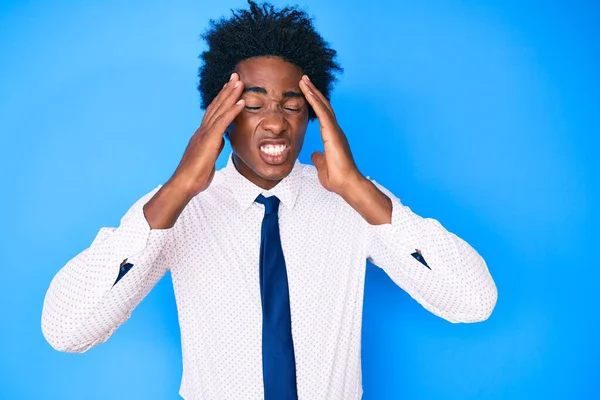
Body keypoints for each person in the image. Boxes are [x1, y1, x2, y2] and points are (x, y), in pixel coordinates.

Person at [41, 1, 497, 399]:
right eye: (254, 105)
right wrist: (179, 188)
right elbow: (66, 329)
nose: (275, 123)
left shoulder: (353, 199)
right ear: (220, 115)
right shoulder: (175, 208)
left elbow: (474, 302)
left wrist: (357, 188)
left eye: (293, 104)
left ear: (315, 115)